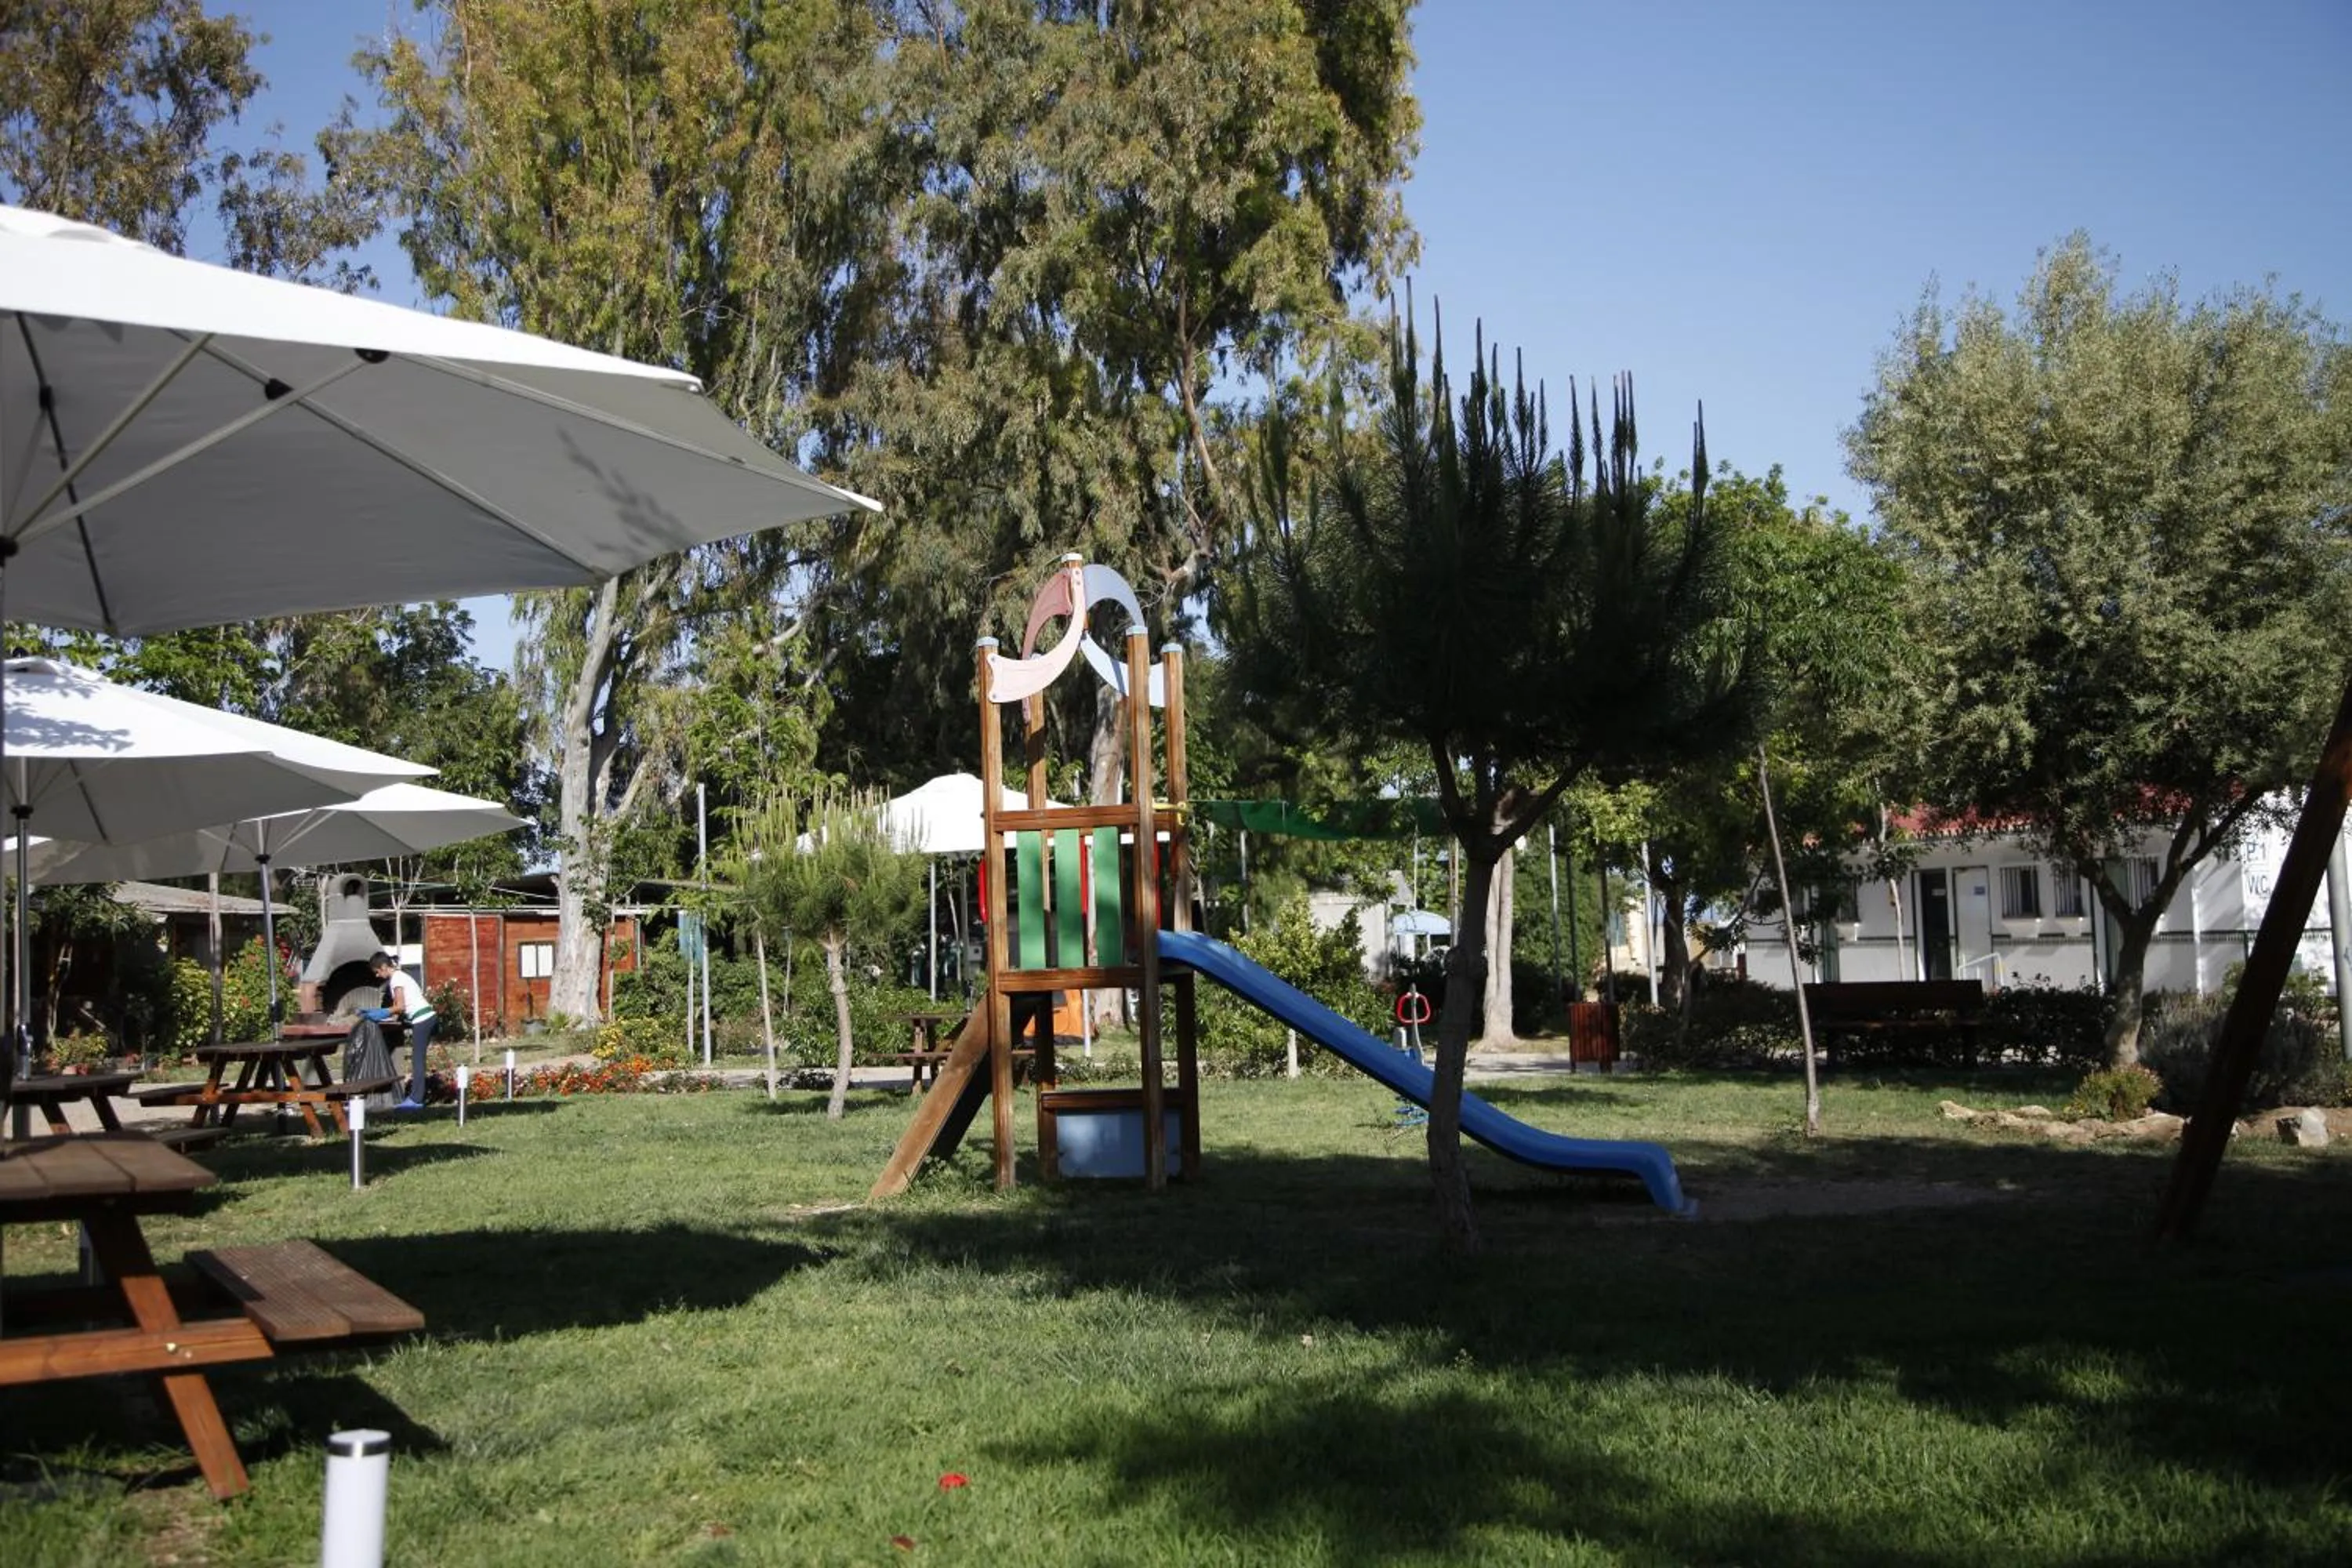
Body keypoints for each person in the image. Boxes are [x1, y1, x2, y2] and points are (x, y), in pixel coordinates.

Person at [370, 951, 437, 1109]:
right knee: (417, 1059)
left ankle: (416, 1100)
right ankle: (416, 1097)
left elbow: (400, 1007)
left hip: (423, 1019)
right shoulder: (399, 977)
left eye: (378, 972)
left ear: (385, 967)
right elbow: (398, 1010)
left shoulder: (397, 980)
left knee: (417, 1060)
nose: (378, 976)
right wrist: (383, 1016)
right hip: (426, 1018)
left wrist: (381, 1013)